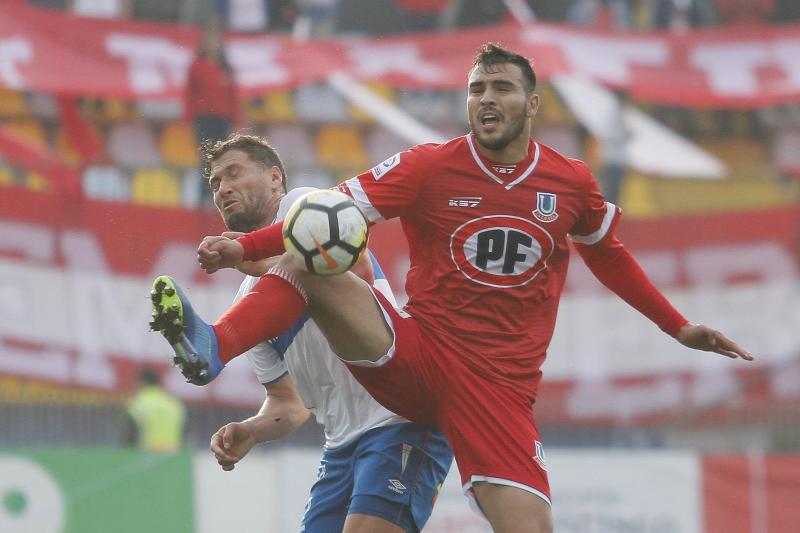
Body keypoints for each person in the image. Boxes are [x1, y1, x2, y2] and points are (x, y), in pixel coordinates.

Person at [161, 44, 753, 532]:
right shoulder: (428, 165)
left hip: (498, 392)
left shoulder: (570, 184)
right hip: (421, 357)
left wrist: (677, 326)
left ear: (532, 102)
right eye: (477, 90)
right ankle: (215, 345)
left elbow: (612, 257)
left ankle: (217, 343)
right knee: (316, 253)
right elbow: (329, 212)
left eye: (501, 88)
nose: (487, 99)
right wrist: (243, 248)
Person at [150, 134, 452, 533]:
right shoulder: (251, 305)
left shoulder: (304, 207)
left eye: (233, 173)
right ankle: (216, 345)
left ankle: (217, 345)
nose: (222, 189)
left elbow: (350, 262)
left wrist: (254, 257)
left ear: (275, 178)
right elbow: (288, 403)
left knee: (305, 256)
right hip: (341, 447)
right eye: (214, 183)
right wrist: (251, 431)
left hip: (399, 419)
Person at [185, 21, 240, 206]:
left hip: (222, 120)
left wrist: (237, 119)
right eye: (210, 41)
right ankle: (202, 198)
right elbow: (190, 94)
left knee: (221, 160)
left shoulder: (226, 68)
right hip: (204, 120)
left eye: (216, 40)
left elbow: (233, 96)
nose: (213, 44)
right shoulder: (197, 66)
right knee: (206, 160)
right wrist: (190, 119)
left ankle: (216, 198)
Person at [124, 367, 186, 452]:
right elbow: (184, 433)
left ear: (142, 382)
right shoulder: (174, 404)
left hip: (145, 457)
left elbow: (128, 437)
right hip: (172, 456)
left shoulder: (136, 404)